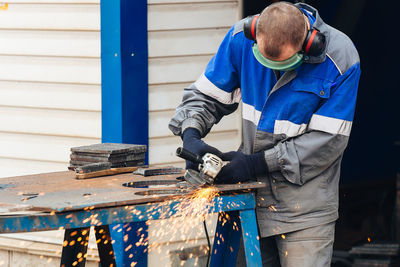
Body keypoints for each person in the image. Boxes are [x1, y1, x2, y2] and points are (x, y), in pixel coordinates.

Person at [169, 1, 361, 266]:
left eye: (282, 64)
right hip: (248, 199)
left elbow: (328, 142)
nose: (273, 72)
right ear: (254, 33)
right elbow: (206, 95)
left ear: (309, 44)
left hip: (303, 212)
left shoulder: (340, 59)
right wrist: (191, 133)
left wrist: (257, 162)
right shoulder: (240, 39)